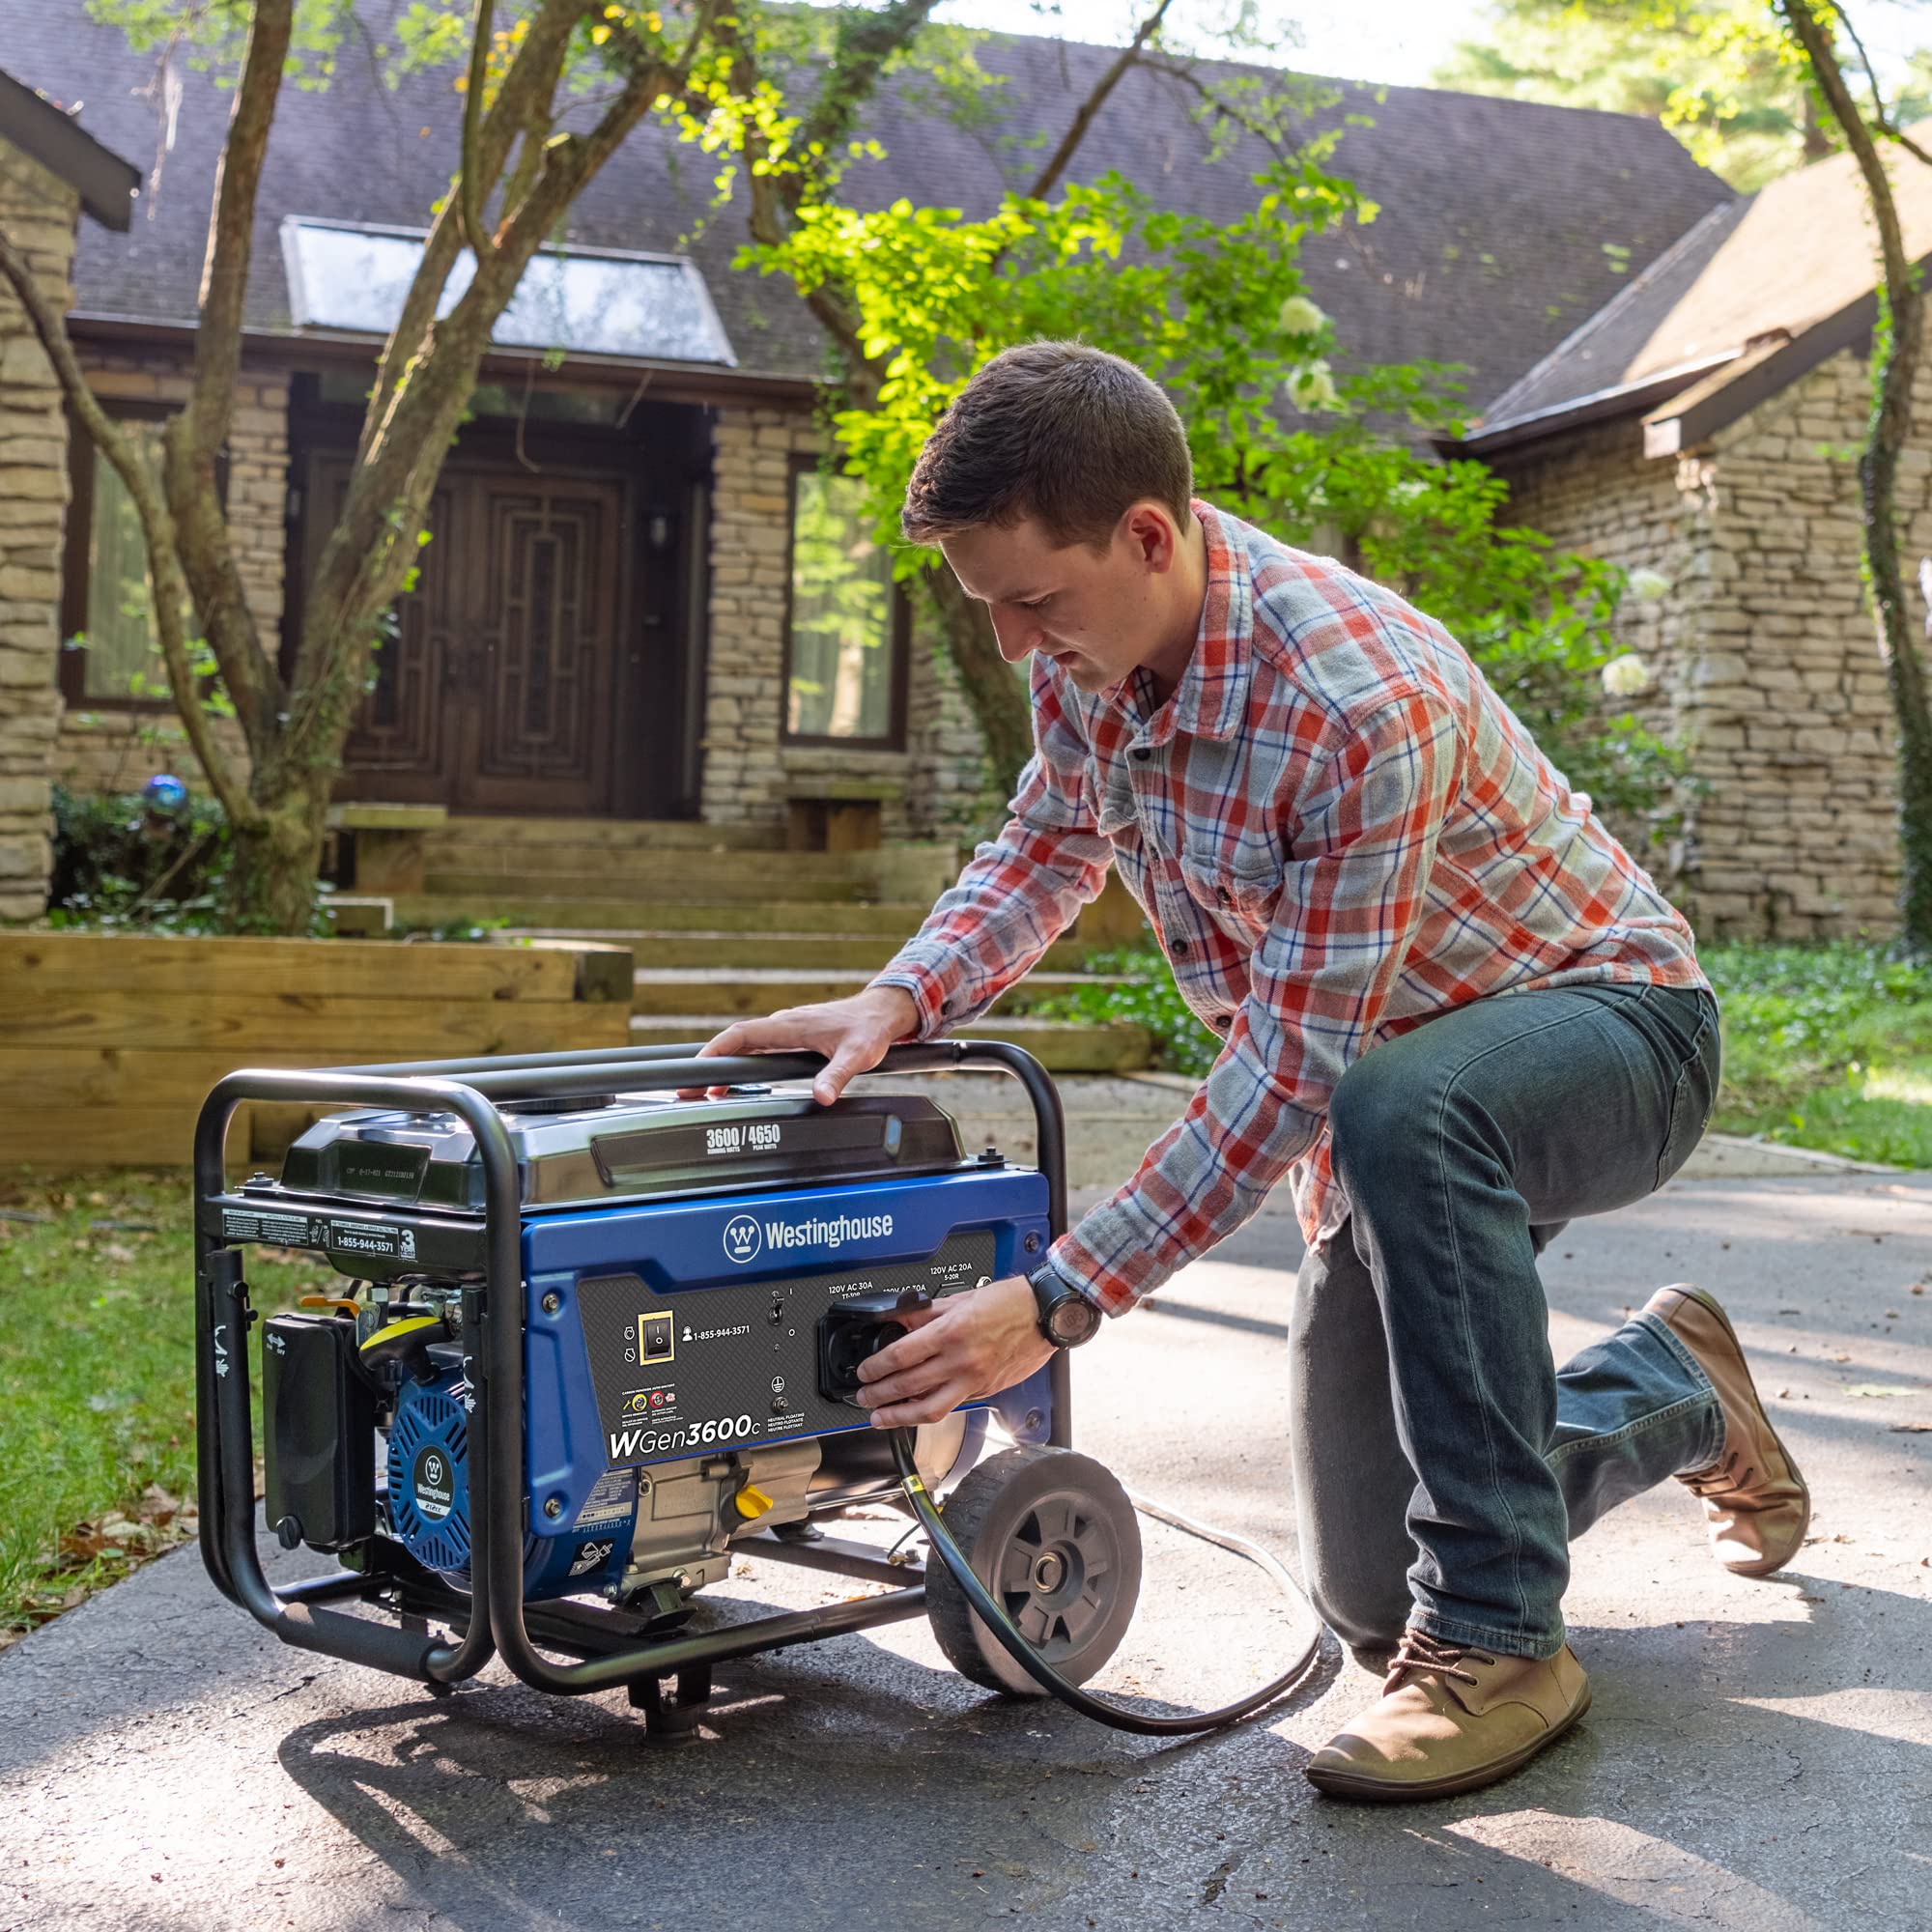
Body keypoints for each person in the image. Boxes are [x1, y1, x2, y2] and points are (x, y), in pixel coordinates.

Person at [697, 342, 1808, 1803]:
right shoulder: (1095, 660)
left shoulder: (1354, 701)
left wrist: (1058, 1299)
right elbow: (1047, 844)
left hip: (1613, 1035)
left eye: (1035, 602)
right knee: (1365, 1592)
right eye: (992, 614)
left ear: (1149, 537)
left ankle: (1503, 1643)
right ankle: (1673, 1387)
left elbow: (1300, 1062)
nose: (1020, 648)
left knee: (1398, 1108)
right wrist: (904, 996)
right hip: (1401, 1095)